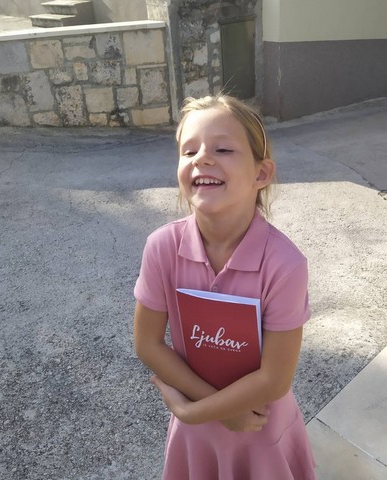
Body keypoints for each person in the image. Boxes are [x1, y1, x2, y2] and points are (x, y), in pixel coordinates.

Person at [133, 94, 316, 480]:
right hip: (197, 436)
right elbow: (147, 343)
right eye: (189, 151)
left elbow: (274, 379)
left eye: (223, 148)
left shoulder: (284, 265)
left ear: (261, 174)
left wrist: (192, 411)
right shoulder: (162, 247)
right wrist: (215, 410)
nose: (201, 158)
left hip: (259, 430)